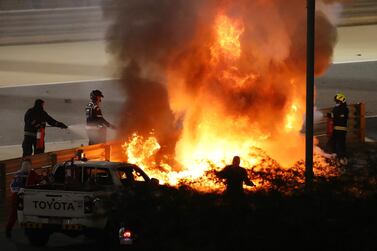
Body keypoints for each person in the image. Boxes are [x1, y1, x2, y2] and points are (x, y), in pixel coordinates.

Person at [5, 158, 40, 238]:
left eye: (27, 165)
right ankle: (26, 231)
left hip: (18, 196)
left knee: (15, 214)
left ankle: (9, 230)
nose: (27, 167)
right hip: (27, 196)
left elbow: (12, 186)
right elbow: (39, 181)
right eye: (26, 165)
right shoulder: (31, 173)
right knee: (28, 213)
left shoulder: (18, 174)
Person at [329, 93, 349, 165]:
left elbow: (339, 116)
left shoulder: (344, 109)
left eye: (337, 101)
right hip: (335, 130)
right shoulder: (337, 108)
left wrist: (331, 115)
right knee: (334, 143)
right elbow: (334, 115)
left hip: (341, 130)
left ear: (341, 101)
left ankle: (342, 158)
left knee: (340, 144)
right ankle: (337, 158)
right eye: (336, 101)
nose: (336, 103)